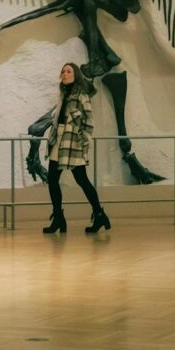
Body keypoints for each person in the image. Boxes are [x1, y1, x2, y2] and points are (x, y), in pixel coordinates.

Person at [42, 62, 110, 234]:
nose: (65, 74)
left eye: (69, 71)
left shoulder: (81, 94)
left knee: (82, 180)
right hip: (59, 140)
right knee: (52, 178)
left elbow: (89, 121)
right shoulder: (63, 94)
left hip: (73, 143)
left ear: (76, 74)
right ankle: (58, 217)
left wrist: (83, 141)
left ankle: (99, 214)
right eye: (63, 71)